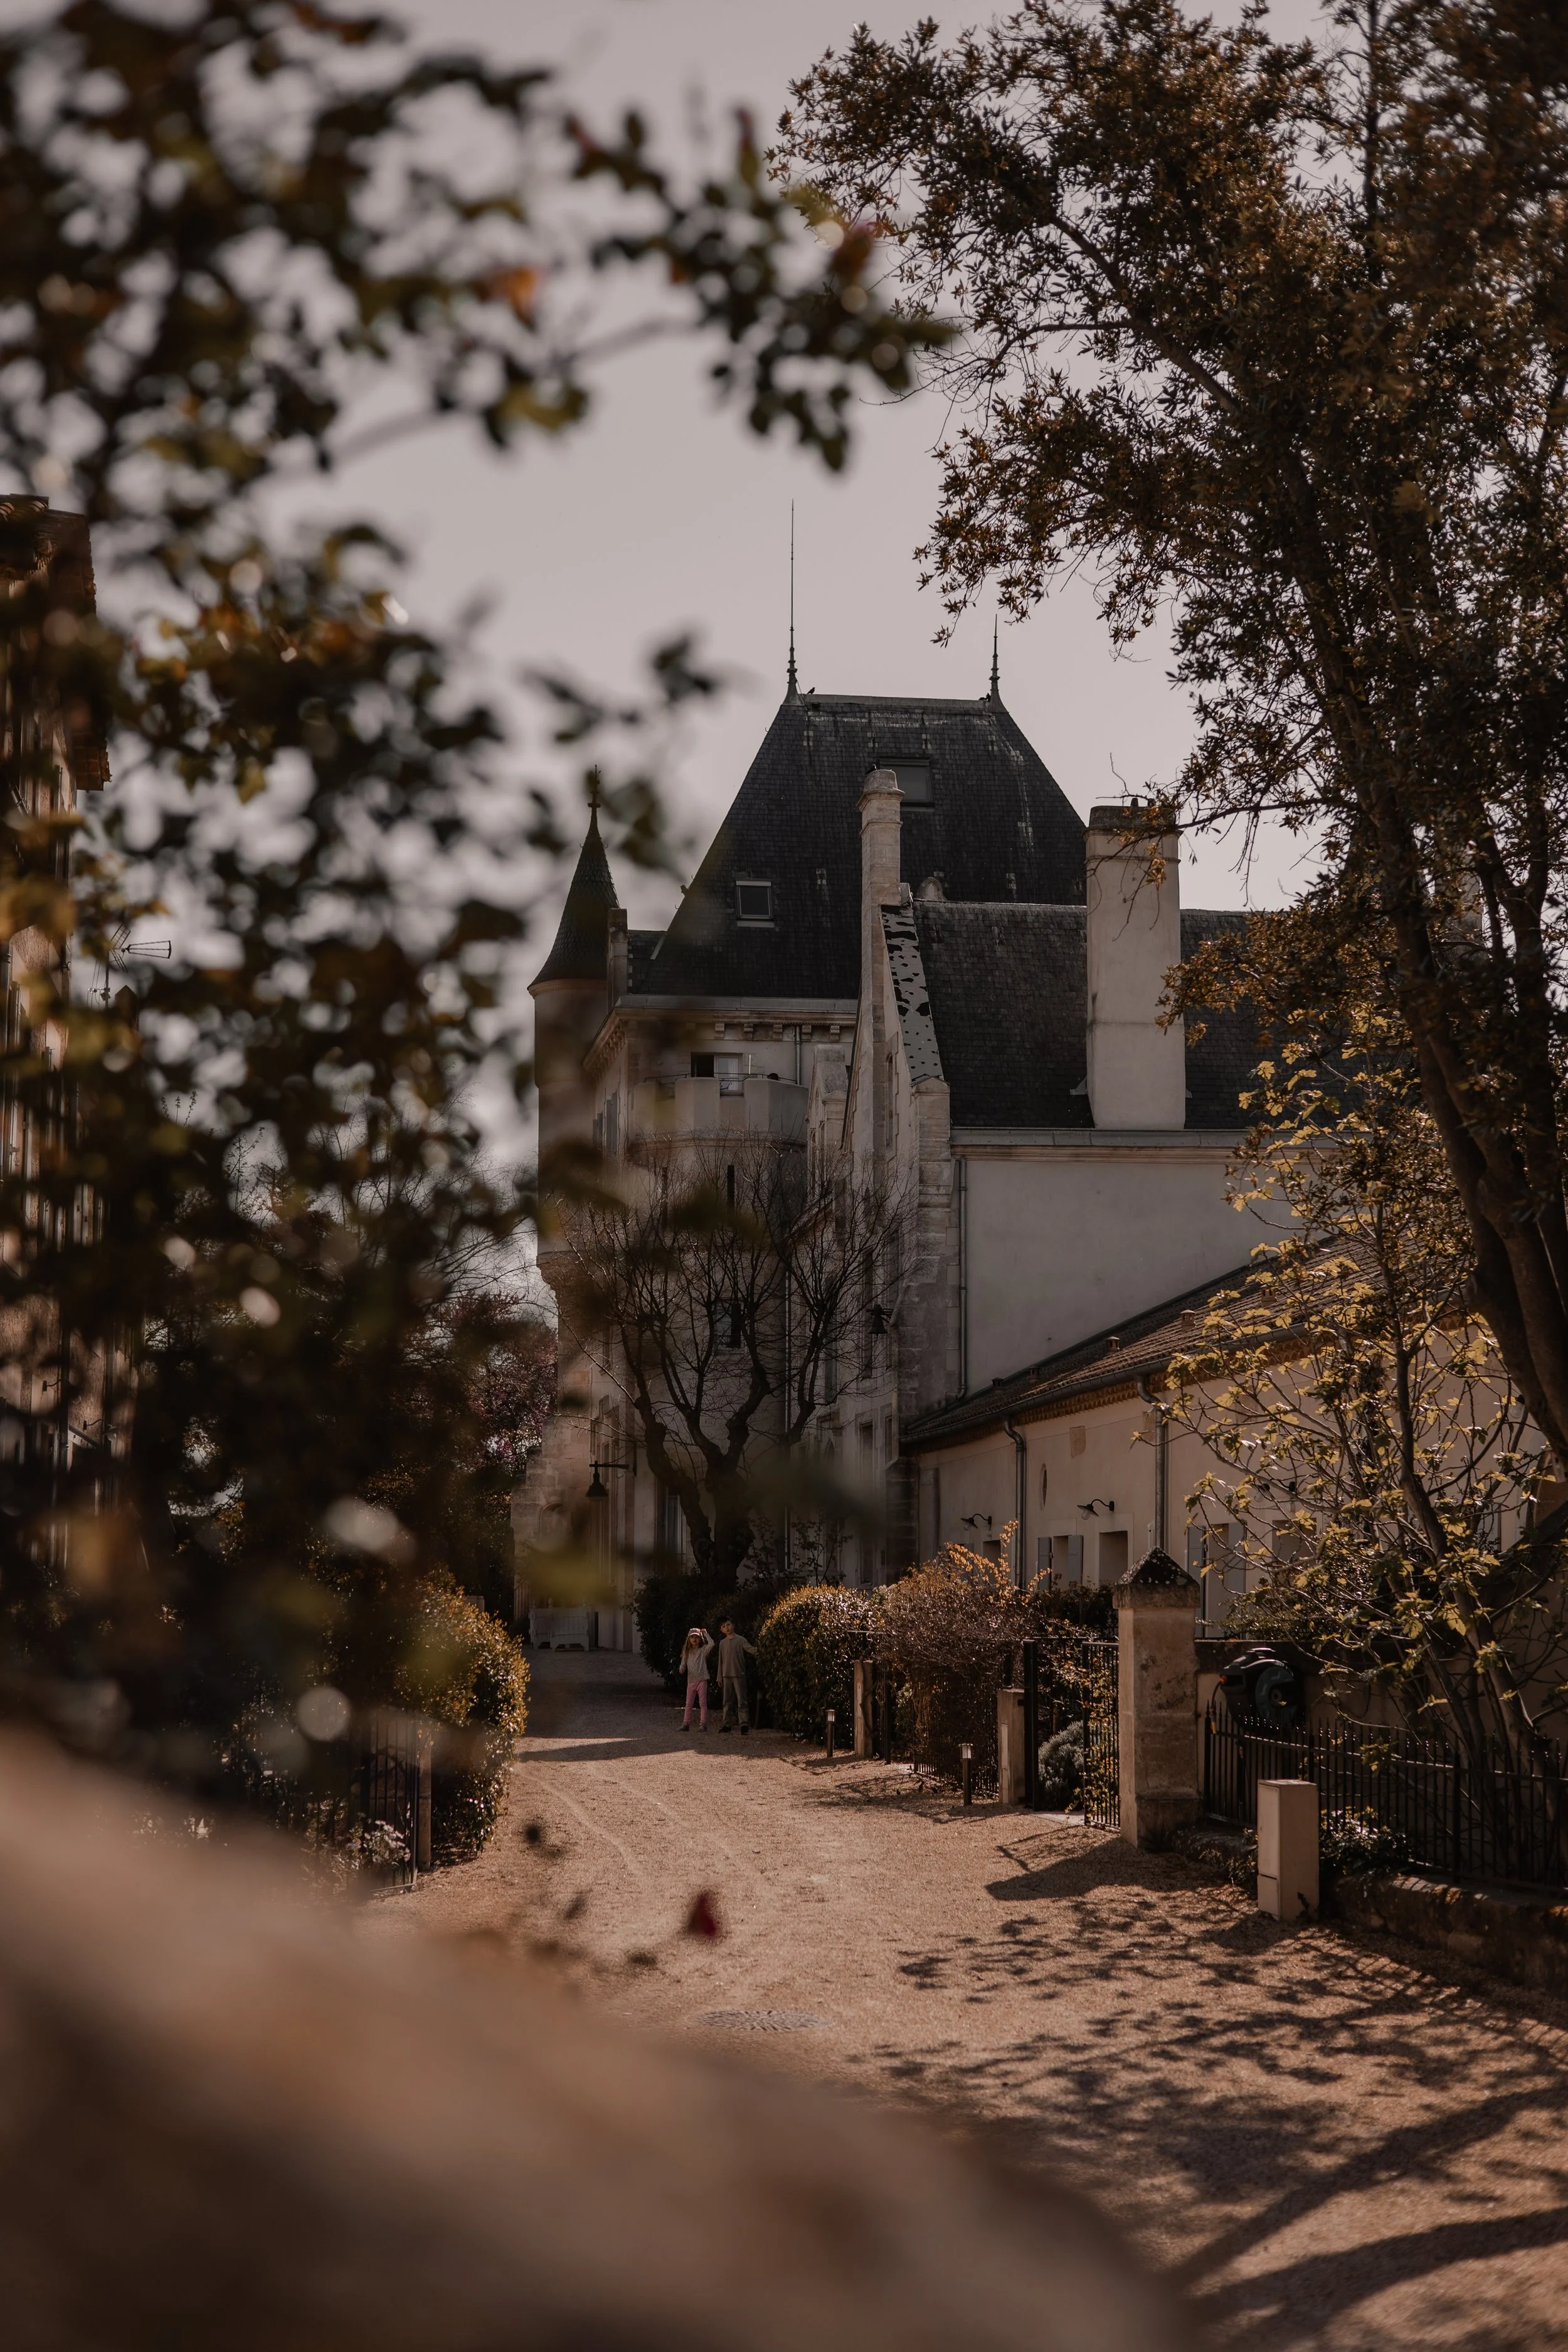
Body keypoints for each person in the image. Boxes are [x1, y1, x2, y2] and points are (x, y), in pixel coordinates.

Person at [715, 1620, 757, 1735]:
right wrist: (719, 1677)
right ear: (722, 1630)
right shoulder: (722, 1643)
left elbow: (751, 1650)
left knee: (741, 1701)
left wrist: (762, 1652)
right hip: (726, 1675)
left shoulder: (741, 1640)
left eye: (728, 1625)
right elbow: (721, 1661)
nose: (727, 1628)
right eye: (724, 1626)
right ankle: (727, 1724)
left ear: (733, 1625)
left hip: (739, 1674)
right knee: (727, 1701)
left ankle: (744, 1725)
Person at [679, 1628, 713, 1730]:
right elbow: (683, 1662)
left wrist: (706, 1634)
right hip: (691, 1680)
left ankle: (703, 1724)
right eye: (692, 1637)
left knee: (703, 1703)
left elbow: (712, 1644)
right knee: (689, 1703)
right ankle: (686, 1723)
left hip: (702, 1679)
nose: (694, 1639)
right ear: (688, 1639)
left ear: (700, 1639)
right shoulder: (687, 1651)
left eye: (697, 1637)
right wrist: (682, 1668)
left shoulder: (703, 1650)